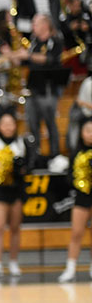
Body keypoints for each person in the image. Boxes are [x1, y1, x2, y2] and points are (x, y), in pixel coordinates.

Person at [11, 14, 65, 158]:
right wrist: (12, 56)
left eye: (35, 23)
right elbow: (26, 62)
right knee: (32, 124)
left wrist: (27, 56)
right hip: (33, 88)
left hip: (48, 89)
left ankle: (55, 155)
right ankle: (35, 157)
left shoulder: (55, 40)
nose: (32, 26)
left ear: (45, 25)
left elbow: (49, 59)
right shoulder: (34, 42)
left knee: (50, 123)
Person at [0, 112, 28, 278]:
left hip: (16, 190)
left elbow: (29, 164)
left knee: (15, 228)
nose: (8, 127)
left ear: (15, 125)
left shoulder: (21, 142)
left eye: (11, 123)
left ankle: (14, 262)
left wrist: (19, 168)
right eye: (4, 124)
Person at [58, 117, 92, 282]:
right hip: (81, 196)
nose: (90, 134)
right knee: (76, 233)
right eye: (87, 130)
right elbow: (69, 176)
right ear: (81, 133)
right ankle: (71, 268)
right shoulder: (76, 152)